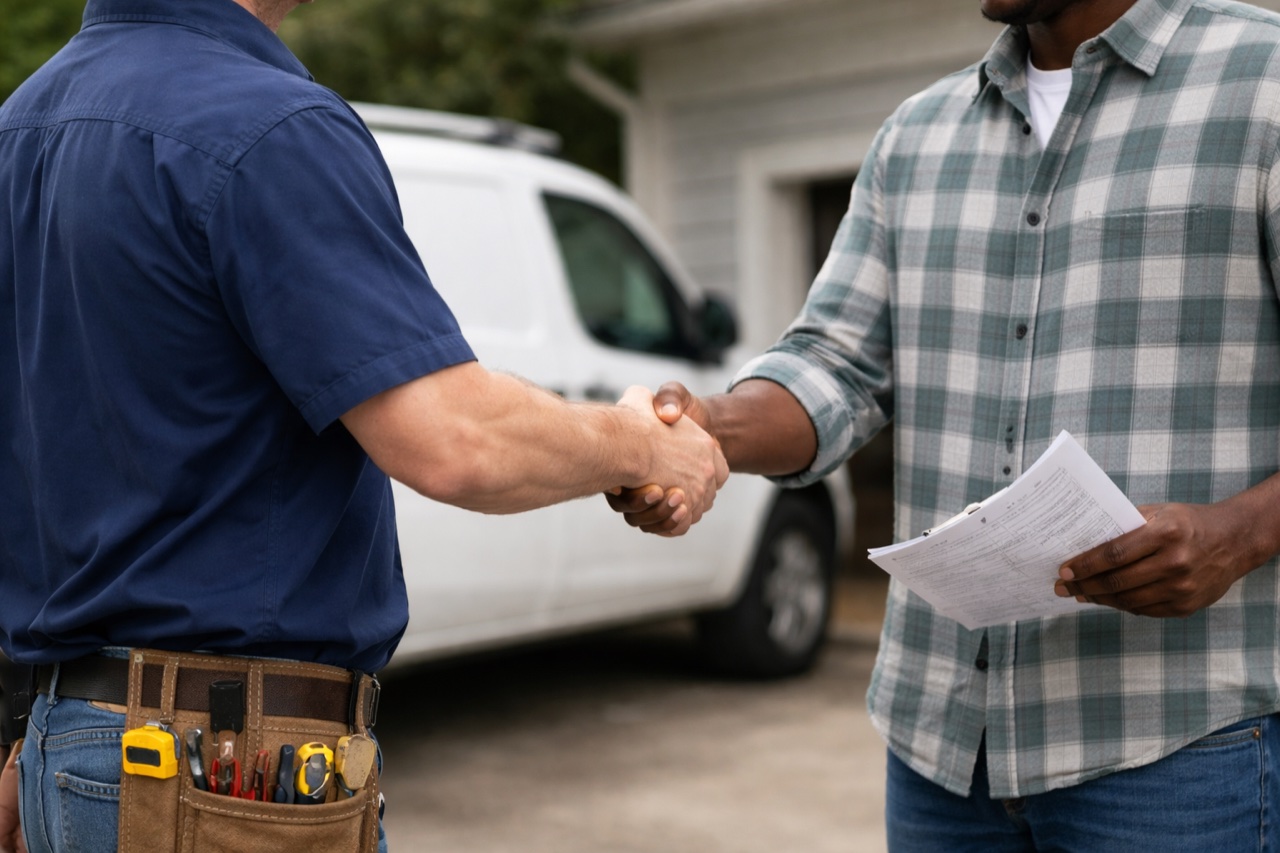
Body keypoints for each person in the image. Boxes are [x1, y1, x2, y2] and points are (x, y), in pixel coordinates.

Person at [0, 0, 726, 851]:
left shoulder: (18, 131)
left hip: (63, 753)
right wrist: (644, 441)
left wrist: (34, 724)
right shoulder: (267, 127)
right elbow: (457, 441)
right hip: (220, 778)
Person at [612, 0, 1280, 847]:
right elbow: (835, 364)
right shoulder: (914, 138)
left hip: (1182, 748)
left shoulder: (1263, 85)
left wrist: (1240, 532)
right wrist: (708, 427)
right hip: (942, 754)